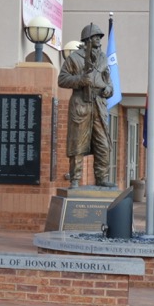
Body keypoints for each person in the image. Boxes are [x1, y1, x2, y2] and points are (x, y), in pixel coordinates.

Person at [57, 23, 115, 189]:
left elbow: (108, 80)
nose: (98, 39)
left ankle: (102, 177)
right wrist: (80, 80)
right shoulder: (74, 58)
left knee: (103, 143)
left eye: (99, 37)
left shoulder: (103, 58)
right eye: (95, 36)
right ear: (87, 39)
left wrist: (108, 89)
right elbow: (62, 79)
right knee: (78, 144)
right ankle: (75, 179)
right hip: (81, 104)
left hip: (99, 105)